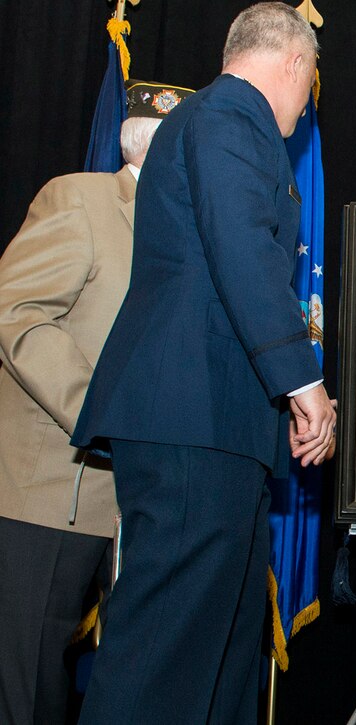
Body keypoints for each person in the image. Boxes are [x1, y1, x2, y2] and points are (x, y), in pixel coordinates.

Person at [70, 4, 336, 723]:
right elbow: (244, 253)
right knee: (163, 651)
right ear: (293, 62)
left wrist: (269, 397)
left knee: (213, 655)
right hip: (192, 424)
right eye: (311, 77)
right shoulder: (229, 118)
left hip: (216, 423)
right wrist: (303, 382)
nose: (308, 99)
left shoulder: (216, 122)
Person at [0, 81, 191, 724]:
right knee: (28, 689)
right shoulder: (78, 200)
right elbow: (17, 314)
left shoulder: (189, 235)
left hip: (139, 506)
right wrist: (95, 409)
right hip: (47, 491)